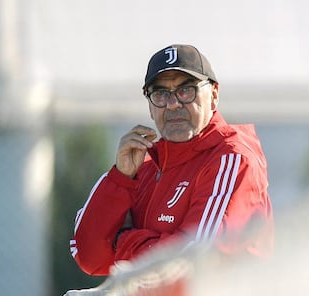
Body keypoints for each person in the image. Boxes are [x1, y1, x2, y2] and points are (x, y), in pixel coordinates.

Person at [71, 44, 273, 276]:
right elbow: (88, 255)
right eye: (160, 94)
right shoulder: (145, 166)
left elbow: (193, 258)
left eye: (186, 90)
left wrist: (122, 242)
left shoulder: (232, 158)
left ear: (214, 95)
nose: (173, 103)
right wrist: (121, 177)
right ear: (149, 105)